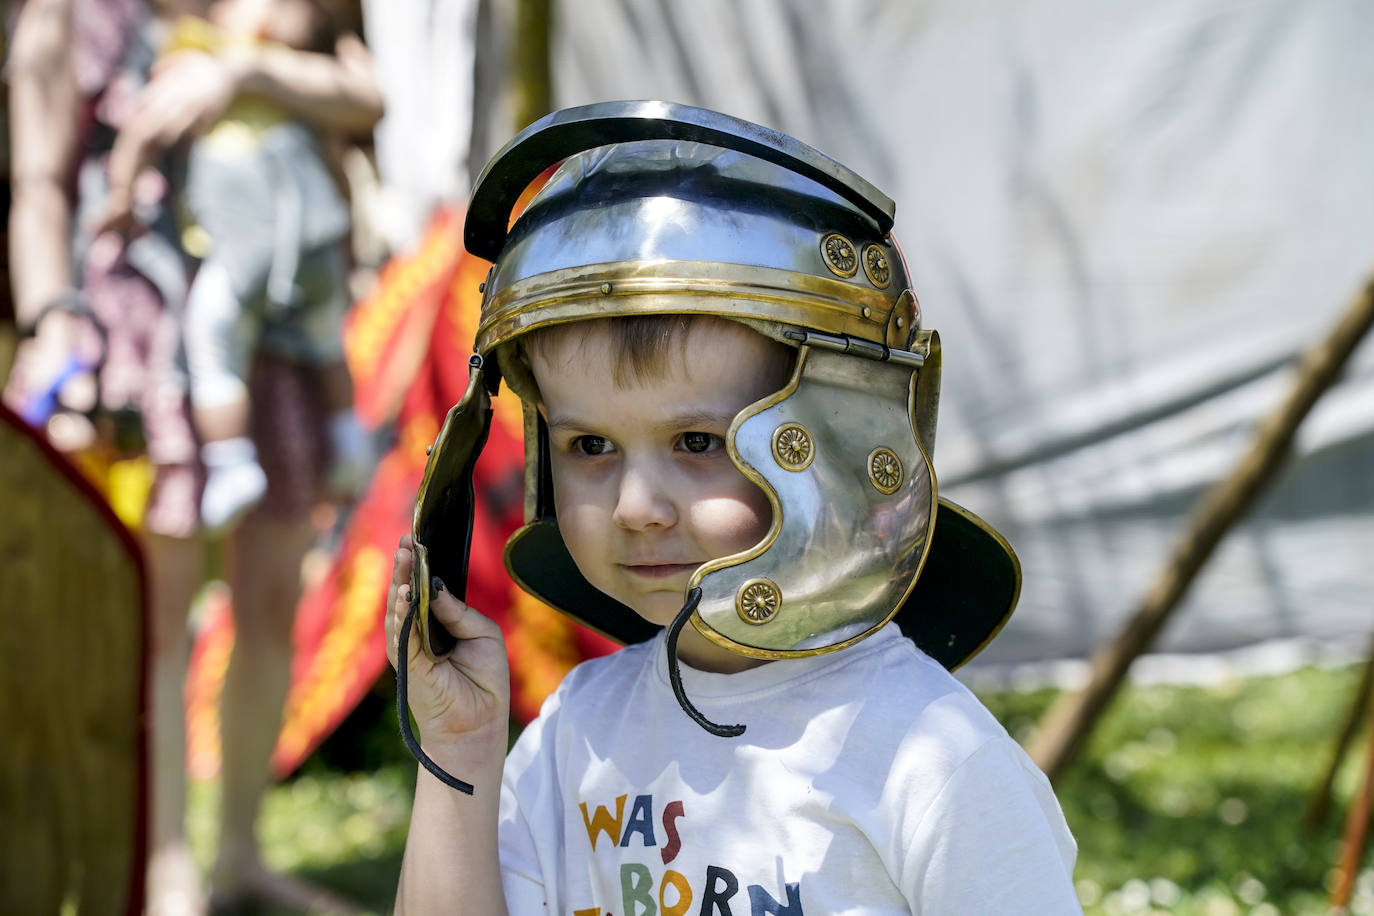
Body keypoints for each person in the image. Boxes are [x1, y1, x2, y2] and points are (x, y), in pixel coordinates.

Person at [385, 101, 1081, 913]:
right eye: (592, 447)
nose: (637, 507)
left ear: (844, 442)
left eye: (697, 442)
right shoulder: (575, 735)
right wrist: (463, 752)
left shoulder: (926, 757)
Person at [5, 1, 382, 912]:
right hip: (151, 331)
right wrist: (52, 324)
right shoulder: (74, 13)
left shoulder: (285, 9)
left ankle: (239, 858)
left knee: (268, 599)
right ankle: (164, 862)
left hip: (281, 341)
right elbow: (39, 184)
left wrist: (242, 73)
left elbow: (368, 99)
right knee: (156, 617)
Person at [98, 0, 373, 533]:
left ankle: (229, 462)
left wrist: (121, 190)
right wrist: (349, 243)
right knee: (326, 342)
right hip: (315, 238)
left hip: (247, 244)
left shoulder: (207, 56)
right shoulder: (294, 81)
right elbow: (336, 160)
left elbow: (142, 127)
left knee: (213, 339)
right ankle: (350, 438)